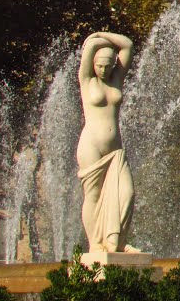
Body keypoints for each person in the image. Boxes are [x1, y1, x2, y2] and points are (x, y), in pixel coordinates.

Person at [76, 31, 139, 253]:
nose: (103, 70)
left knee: (127, 193)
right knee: (92, 196)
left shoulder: (116, 79)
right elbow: (89, 47)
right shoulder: (86, 80)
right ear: (93, 64)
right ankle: (96, 244)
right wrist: (96, 40)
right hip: (91, 145)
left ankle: (117, 242)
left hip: (115, 149)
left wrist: (101, 34)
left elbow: (128, 45)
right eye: (100, 65)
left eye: (108, 65)